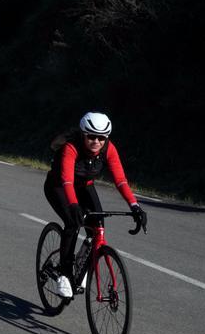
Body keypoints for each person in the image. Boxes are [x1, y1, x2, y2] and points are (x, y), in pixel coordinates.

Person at [43, 112, 147, 298]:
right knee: (73, 222)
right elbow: (67, 180)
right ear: (83, 134)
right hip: (58, 186)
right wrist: (74, 205)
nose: (96, 141)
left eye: (101, 137)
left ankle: (81, 267)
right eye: (91, 136)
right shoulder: (71, 147)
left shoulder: (109, 149)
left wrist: (134, 206)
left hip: (84, 186)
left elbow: (121, 180)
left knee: (98, 226)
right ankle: (65, 275)